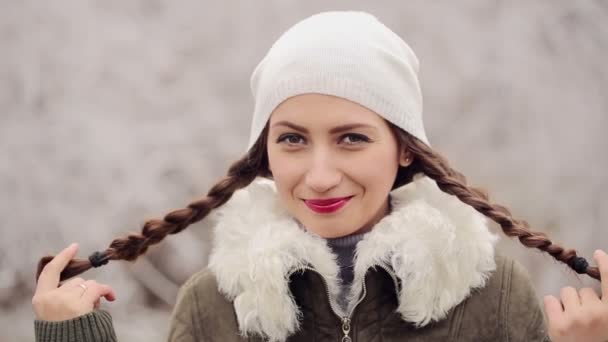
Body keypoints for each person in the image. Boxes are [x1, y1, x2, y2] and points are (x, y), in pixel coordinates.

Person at [31, 11, 607, 342]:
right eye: (292, 140)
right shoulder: (215, 306)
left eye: (352, 138)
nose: (320, 176)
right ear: (264, 154)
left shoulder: (492, 295)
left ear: (405, 149)